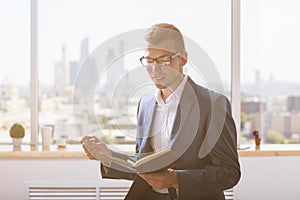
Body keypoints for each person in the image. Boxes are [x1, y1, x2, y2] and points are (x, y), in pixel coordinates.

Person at [81, 23, 241, 200]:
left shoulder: (213, 104)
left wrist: (176, 179)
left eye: (164, 60)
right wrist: (108, 156)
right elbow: (143, 165)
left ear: (183, 59)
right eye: (149, 61)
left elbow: (229, 172)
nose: (155, 69)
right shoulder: (146, 104)